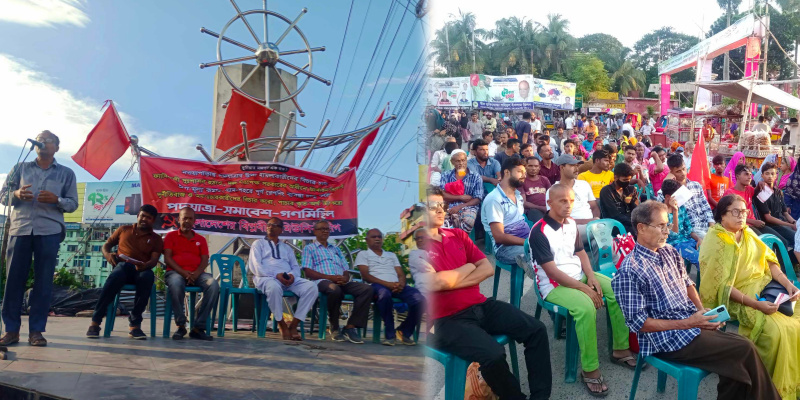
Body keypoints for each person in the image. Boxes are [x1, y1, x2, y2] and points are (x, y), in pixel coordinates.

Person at [612, 201, 781, 400]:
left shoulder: (669, 251)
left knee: (737, 364)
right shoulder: (629, 270)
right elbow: (639, 324)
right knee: (744, 349)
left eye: (667, 225)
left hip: (689, 323)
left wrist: (704, 314)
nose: (668, 231)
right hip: (664, 339)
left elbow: (688, 284)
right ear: (641, 228)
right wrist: (690, 322)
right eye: (662, 226)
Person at [426, 186, 552, 400]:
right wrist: (467, 268)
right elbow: (435, 282)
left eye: (442, 205)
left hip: (481, 306)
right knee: (493, 355)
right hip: (445, 321)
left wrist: (451, 279)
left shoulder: (457, 235)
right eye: (431, 206)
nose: (439, 210)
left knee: (536, 330)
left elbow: (487, 268)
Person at [523, 184, 636, 396]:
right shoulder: (539, 232)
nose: (568, 206)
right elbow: (552, 272)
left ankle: (620, 348)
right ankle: (590, 369)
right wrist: (585, 289)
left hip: (579, 276)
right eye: (562, 201)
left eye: (571, 201)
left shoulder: (571, 223)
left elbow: (580, 252)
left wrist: (591, 277)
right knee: (586, 308)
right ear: (549, 203)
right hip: (554, 285)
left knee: (618, 288)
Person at [700, 194, 800, 399]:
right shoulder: (715, 241)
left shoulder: (748, 233)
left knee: (796, 317)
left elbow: (770, 262)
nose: (741, 216)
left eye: (744, 211)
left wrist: (789, 285)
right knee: (776, 331)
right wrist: (755, 304)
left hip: (765, 287)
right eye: (735, 212)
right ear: (722, 215)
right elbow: (721, 287)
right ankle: (767, 386)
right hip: (739, 297)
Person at [0, 130, 78, 346]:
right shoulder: (20, 167)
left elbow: (73, 203)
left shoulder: (66, 173)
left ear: (57, 147)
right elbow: (3, 195)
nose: (42, 142)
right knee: (14, 282)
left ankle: (36, 332)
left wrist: (57, 199)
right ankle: (11, 330)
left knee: (44, 283)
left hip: (49, 230)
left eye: (48, 140)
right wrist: (15, 194)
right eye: (39, 140)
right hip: (20, 228)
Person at [86, 205, 163, 340]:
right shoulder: (124, 230)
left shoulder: (156, 239)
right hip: (123, 268)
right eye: (142, 215)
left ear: (153, 220)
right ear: (138, 215)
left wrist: (146, 265)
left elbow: (154, 259)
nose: (144, 219)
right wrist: (107, 255)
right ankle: (95, 323)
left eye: (148, 217)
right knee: (119, 271)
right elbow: (106, 246)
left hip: (141, 270)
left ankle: (135, 326)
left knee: (148, 276)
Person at [302, 220, 373, 344]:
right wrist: (331, 278)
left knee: (367, 289)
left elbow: (345, 269)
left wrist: (345, 277)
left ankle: (350, 326)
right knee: (334, 289)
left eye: (327, 229)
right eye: (321, 229)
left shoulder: (335, 249)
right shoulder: (309, 248)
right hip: (322, 281)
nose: (325, 231)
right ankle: (334, 326)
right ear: (315, 232)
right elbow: (308, 272)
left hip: (341, 281)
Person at [249, 217, 318, 341]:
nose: (270, 227)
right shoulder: (258, 244)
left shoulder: (286, 248)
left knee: (311, 287)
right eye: (269, 225)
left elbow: (296, 267)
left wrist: (292, 275)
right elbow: (256, 267)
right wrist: (276, 275)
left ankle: (293, 325)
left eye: (274, 225)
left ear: (281, 230)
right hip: (267, 278)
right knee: (273, 287)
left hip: (287, 279)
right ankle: (281, 324)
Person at [355, 229, 424, 346]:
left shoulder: (391, 255)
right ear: (367, 240)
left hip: (396, 286)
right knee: (384, 295)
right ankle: (390, 334)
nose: (377, 239)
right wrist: (388, 284)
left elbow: (400, 273)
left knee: (420, 300)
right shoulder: (363, 254)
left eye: (379, 237)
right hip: (377, 285)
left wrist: (401, 284)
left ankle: (404, 330)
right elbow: (366, 276)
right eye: (373, 237)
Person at [163, 207, 218, 341]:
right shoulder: (170, 236)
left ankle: (198, 328)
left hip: (197, 274)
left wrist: (196, 273)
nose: (187, 221)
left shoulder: (201, 239)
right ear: (178, 220)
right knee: (176, 283)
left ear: (194, 221)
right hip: (175, 272)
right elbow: (167, 258)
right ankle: (181, 325)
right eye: (184, 218)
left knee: (214, 285)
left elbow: (205, 259)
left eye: (190, 218)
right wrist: (184, 273)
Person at [482, 157, 530, 265]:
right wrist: (528, 243)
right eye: (520, 172)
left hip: (525, 241)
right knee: (540, 255)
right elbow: (499, 236)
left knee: (556, 248)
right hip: (505, 249)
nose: (524, 175)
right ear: (507, 172)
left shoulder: (517, 195)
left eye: (524, 172)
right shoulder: (494, 199)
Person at [657, 154, 715, 239]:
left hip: (706, 226)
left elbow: (706, 207)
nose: (683, 173)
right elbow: (661, 209)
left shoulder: (696, 185)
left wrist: (712, 225)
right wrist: (666, 181)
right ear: (671, 172)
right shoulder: (667, 192)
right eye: (678, 171)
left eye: (684, 169)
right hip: (690, 230)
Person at [546, 154, 600, 238]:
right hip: (569, 228)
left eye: (577, 165)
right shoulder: (553, 191)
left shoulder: (584, 184)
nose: (576, 168)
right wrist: (589, 221)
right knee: (601, 234)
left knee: (607, 241)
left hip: (592, 226)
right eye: (572, 165)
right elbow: (555, 219)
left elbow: (594, 207)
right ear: (562, 167)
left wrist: (596, 219)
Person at [753, 161, 797, 247]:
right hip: (771, 226)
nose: (770, 176)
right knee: (789, 240)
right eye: (767, 174)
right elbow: (768, 218)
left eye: (772, 174)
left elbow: (785, 213)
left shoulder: (779, 192)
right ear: (762, 175)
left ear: (776, 175)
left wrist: (794, 222)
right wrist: (789, 225)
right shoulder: (761, 193)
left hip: (782, 223)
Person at [440, 150, 483, 233]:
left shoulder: (476, 176)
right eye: (458, 161)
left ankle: (458, 241)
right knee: (441, 222)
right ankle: (452, 241)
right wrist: (460, 197)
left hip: (469, 207)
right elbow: (442, 195)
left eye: (463, 160)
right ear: (452, 162)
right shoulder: (445, 175)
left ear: (466, 160)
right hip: (449, 206)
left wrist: (460, 206)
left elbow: (478, 198)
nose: (461, 163)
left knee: (468, 222)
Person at [661, 179, 701, 265]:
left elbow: (689, 229)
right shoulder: (661, 213)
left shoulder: (681, 207)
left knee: (708, 254)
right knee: (700, 260)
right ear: (668, 197)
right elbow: (674, 234)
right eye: (678, 196)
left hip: (687, 241)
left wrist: (698, 239)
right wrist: (675, 211)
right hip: (674, 245)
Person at [598, 163, 638, 233]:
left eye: (629, 180)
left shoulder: (630, 189)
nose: (627, 182)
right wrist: (633, 222)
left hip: (630, 221)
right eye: (624, 180)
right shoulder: (606, 191)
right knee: (637, 232)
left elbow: (635, 209)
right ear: (615, 177)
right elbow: (614, 215)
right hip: (613, 225)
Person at [523, 157, 551, 223]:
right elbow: (523, 203)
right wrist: (541, 208)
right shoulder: (522, 181)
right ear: (525, 167)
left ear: (539, 167)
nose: (533, 168)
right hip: (532, 210)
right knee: (542, 224)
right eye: (530, 166)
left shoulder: (544, 179)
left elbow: (552, 196)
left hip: (547, 208)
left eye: (536, 166)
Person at [407, 229, 433, 293]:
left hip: (441, 285)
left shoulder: (435, 251)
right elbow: (427, 268)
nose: (419, 240)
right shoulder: (414, 254)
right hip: (424, 288)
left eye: (422, 237)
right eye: (417, 238)